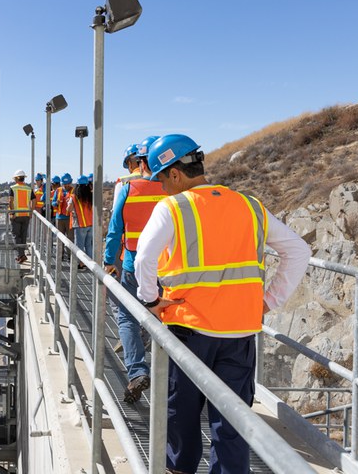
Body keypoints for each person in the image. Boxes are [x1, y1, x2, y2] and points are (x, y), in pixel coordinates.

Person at [134, 134, 311, 474]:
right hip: (240, 333)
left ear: (175, 174)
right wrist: (268, 301)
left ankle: (179, 469)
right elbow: (299, 251)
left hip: (189, 330)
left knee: (180, 414)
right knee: (233, 421)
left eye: (160, 179)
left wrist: (150, 300)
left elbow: (144, 259)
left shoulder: (172, 207)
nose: (161, 187)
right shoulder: (250, 205)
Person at [103, 137, 167, 403]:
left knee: (127, 318)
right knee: (165, 319)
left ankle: (137, 371)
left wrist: (109, 260)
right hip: (168, 266)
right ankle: (170, 378)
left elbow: (115, 227)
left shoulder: (128, 187)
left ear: (140, 162)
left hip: (133, 264)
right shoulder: (173, 188)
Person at [9, 169, 35, 263]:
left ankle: (21, 255)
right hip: (26, 215)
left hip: (16, 215)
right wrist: (31, 211)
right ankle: (21, 254)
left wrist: (12, 213)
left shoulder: (13, 188)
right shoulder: (29, 189)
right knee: (23, 236)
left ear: (16, 178)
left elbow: (10, 201)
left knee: (16, 236)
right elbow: (34, 200)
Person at [66, 175, 93, 265]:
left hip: (80, 225)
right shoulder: (91, 196)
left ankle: (81, 263)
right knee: (88, 246)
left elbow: (69, 209)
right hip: (90, 224)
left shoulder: (74, 197)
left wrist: (68, 204)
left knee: (79, 246)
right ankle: (90, 264)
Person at [52, 173, 74, 259]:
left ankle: (70, 256)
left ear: (70, 182)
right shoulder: (58, 190)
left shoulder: (73, 190)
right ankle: (60, 256)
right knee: (60, 238)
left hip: (70, 218)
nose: (66, 185)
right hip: (60, 218)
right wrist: (56, 203)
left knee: (70, 238)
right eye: (65, 184)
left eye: (68, 183)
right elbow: (53, 203)